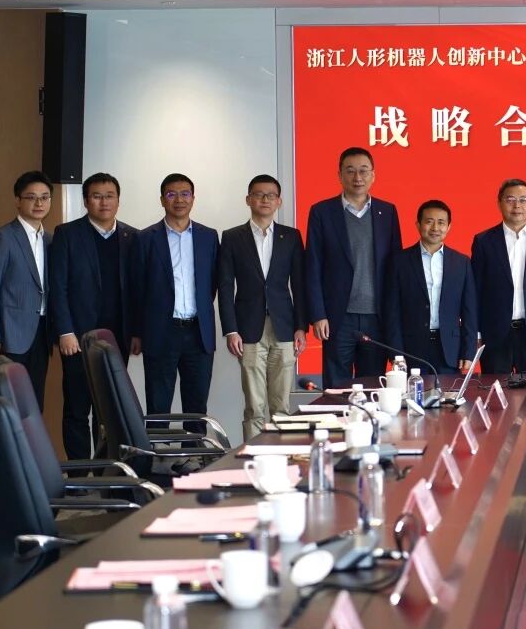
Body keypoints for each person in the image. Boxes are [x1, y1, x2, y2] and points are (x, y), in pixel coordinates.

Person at [49, 172, 137, 460]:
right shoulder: (67, 234)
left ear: (118, 200)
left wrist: (136, 332)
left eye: (109, 196)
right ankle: (78, 472)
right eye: (97, 196)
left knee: (109, 411)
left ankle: (103, 471)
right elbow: (58, 287)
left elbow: (137, 289)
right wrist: (65, 331)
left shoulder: (132, 237)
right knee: (77, 409)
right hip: (77, 337)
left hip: (117, 338)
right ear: (86, 201)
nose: (104, 202)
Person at [218, 175, 308, 441]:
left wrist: (301, 327)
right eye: (258, 194)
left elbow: (299, 284)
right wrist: (231, 330)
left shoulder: (291, 236)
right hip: (248, 328)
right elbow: (225, 286)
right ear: (248, 200)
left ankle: (282, 456)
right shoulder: (232, 237)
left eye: (271, 195)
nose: (265, 199)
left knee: (281, 405)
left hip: (284, 327)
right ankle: (252, 458)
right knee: (254, 407)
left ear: (279, 201)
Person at [305, 147, 403, 387]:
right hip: (338, 318)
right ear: (340, 175)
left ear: (373, 175)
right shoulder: (322, 212)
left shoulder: (387, 212)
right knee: (336, 389)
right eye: (350, 171)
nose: (357, 177)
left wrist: (394, 317)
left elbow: (395, 268)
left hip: (376, 317)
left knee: (373, 387)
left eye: (363, 171)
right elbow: (313, 266)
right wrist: (318, 314)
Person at [129, 173, 219, 415]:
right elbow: (137, 288)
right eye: (171, 194)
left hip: (198, 333)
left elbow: (212, 284)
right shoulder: (145, 238)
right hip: (161, 332)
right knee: (158, 407)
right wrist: (136, 331)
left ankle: (194, 443)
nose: (179, 200)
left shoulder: (209, 237)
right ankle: (159, 443)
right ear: (162, 199)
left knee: (197, 407)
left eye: (185, 194)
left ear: (193, 198)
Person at [0, 170, 54, 408]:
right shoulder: (2, 238)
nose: (39, 203)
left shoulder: (50, 239)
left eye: (44, 197)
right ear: (18, 201)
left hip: (41, 332)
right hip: (9, 335)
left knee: (35, 403)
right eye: (31, 197)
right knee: (9, 403)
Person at [470, 178, 526, 375]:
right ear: (499, 203)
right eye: (510, 200)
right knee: (495, 389)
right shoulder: (484, 241)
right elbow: (476, 290)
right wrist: (475, 332)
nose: (517, 206)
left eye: (523, 200)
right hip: (495, 334)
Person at [384, 200, 478, 380]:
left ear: (449, 227)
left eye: (441, 222)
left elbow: (469, 311)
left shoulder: (461, 262)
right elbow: (392, 312)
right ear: (418, 224)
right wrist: (396, 353)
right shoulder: (399, 261)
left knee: (448, 395)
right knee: (414, 395)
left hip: (449, 349)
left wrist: (468, 351)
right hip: (411, 350)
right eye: (429, 221)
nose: (435, 228)